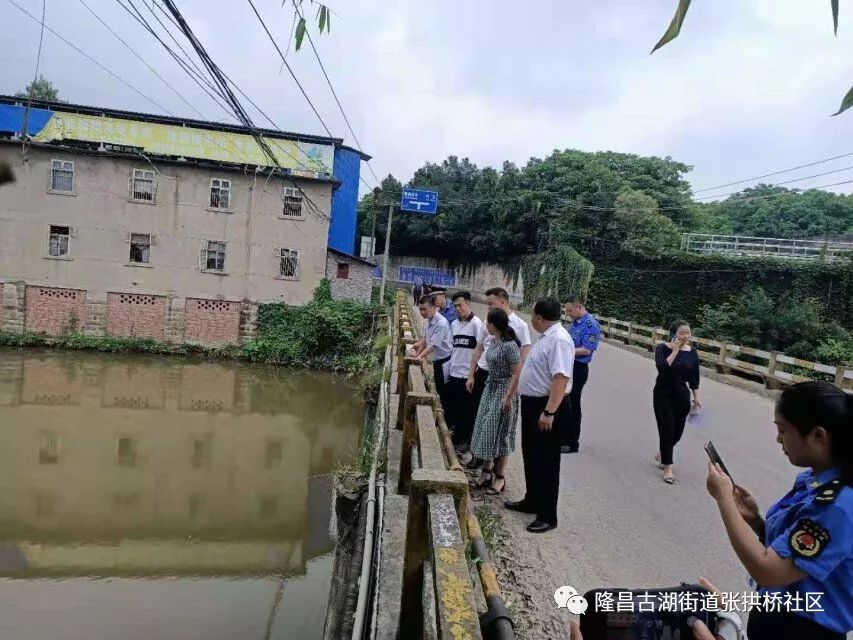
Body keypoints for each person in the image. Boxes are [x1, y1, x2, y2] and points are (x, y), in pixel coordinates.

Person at [706, 381, 852, 639]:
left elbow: (769, 570)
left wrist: (724, 499)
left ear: (819, 435)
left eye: (783, 430)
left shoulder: (839, 505)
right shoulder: (813, 481)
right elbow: (796, 550)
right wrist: (754, 520)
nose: (778, 439)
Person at [506, 298, 574, 534]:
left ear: (538, 318)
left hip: (547, 408)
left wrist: (549, 411)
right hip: (533, 404)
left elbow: (560, 378)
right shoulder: (547, 337)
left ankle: (547, 515)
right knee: (531, 455)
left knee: (546, 461)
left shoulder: (559, 340)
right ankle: (532, 500)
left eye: (532, 314)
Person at [464, 287, 532, 467]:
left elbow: (523, 356)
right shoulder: (490, 326)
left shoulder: (519, 326)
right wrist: (471, 374)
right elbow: (479, 348)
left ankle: (496, 468)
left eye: (491, 304)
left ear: (503, 301)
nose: (488, 308)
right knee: (480, 417)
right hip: (486, 375)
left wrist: (514, 386)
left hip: (505, 380)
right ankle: (480, 456)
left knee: (498, 425)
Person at [469, 309, 522, 495]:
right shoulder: (494, 341)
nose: (486, 326)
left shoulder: (510, 346)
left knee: (501, 434)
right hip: (491, 388)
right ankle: (485, 471)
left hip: (504, 390)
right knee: (486, 429)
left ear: (492, 324)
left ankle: (500, 477)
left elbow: (516, 373)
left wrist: (508, 398)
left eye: (487, 323)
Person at [653, 320, 701, 484]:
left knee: (677, 432)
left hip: (682, 396)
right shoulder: (662, 349)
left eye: (688, 332)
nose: (686, 336)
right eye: (682, 332)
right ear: (673, 334)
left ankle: (663, 451)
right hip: (662, 394)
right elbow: (662, 368)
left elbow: (694, 377)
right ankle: (668, 467)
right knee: (666, 429)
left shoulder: (693, 352)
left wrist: (696, 396)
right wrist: (674, 351)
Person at [445, 291, 484, 453]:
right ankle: (452, 437)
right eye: (455, 306)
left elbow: (480, 350)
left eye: (460, 305)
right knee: (452, 407)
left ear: (468, 303)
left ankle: (463, 440)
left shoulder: (476, 324)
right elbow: (451, 348)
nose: (457, 308)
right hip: (454, 372)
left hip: (467, 375)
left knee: (466, 410)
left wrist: (472, 373)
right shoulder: (454, 324)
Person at [562, 295, 601, 454]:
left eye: (570, 310)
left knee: (573, 404)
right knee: (565, 402)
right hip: (569, 366)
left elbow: (587, 349)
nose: (568, 313)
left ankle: (572, 442)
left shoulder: (591, 324)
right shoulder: (575, 323)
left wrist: (566, 350)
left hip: (579, 368)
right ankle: (563, 436)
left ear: (579, 307)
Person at [408, 295, 453, 403]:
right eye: (420, 309)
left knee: (443, 388)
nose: (422, 312)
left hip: (445, 361)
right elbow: (424, 340)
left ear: (433, 307)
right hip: (437, 360)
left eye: (424, 309)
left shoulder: (441, 323)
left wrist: (420, 356)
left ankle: (443, 413)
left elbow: (433, 345)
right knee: (438, 385)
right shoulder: (428, 321)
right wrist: (418, 352)